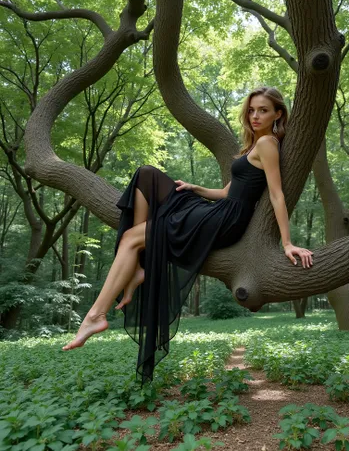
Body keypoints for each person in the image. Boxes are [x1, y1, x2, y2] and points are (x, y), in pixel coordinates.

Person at [62, 86, 314, 384]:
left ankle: (96, 316)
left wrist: (287, 242)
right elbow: (226, 191)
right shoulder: (254, 146)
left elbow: (276, 194)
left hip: (225, 221)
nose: (255, 116)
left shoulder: (268, 144)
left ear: (278, 114)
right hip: (219, 209)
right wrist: (196, 188)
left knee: (131, 237)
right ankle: (139, 261)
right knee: (146, 174)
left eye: (263, 110)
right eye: (252, 110)